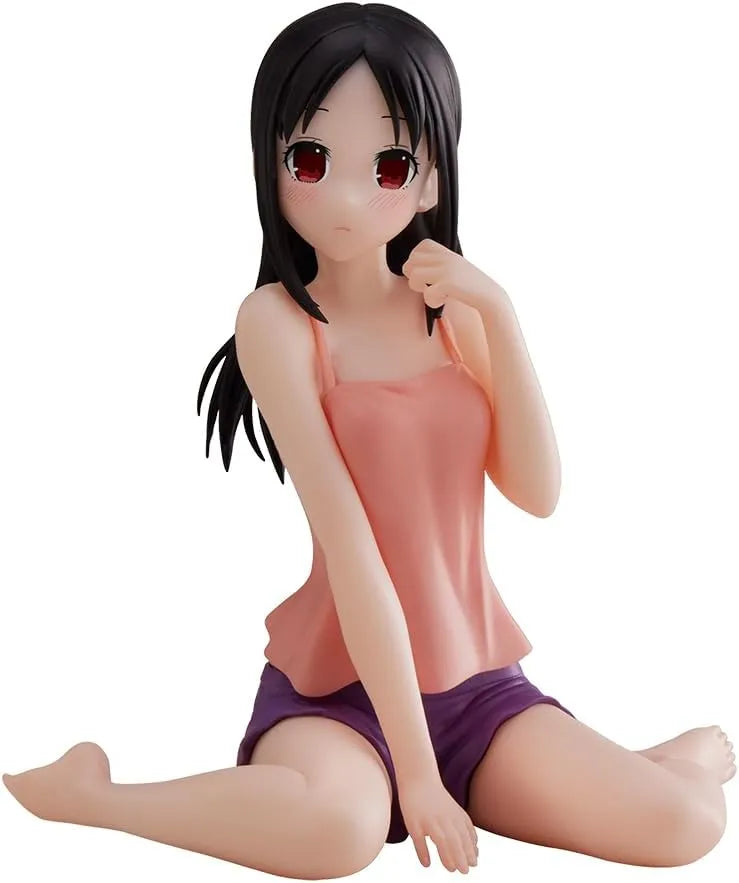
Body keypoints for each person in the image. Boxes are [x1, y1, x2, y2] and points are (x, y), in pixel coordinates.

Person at [3, 4, 734, 878]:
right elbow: (352, 548)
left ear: (430, 182)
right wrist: (415, 777)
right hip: (337, 694)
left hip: (475, 688)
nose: (347, 198)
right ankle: (96, 796)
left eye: (388, 166)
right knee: (337, 834)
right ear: (269, 161)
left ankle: (662, 763)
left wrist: (500, 313)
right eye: (309, 160)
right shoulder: (278, 322)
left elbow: (537, 492)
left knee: (684, 824)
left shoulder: (453, 308)